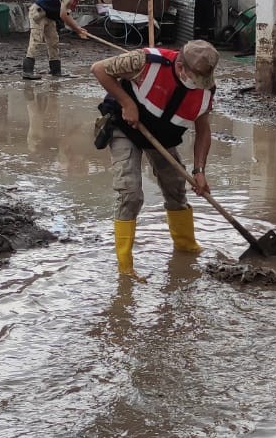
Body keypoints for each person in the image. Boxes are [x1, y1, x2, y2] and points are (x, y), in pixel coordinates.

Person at [90, 40, 219, 275]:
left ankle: (186, 248)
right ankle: (125, 267)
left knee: (177, 189)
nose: (197, 85)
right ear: (180, 66)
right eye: (193, 78)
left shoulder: (206, 91)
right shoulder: (145, 61)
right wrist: (127, 103)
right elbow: (99, 68)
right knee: (130, 193)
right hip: (126, 126)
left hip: (162, 137)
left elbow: (203, 130)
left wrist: (199, 171)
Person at [24, 0, 92, 79]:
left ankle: (55, 70)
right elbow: (63, 15)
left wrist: (78, 28)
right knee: (36, 39)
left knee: (53, 41)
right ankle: (27, 71)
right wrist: (76, 29)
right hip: (38, 13)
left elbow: (68, 15)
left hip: (49, 16)